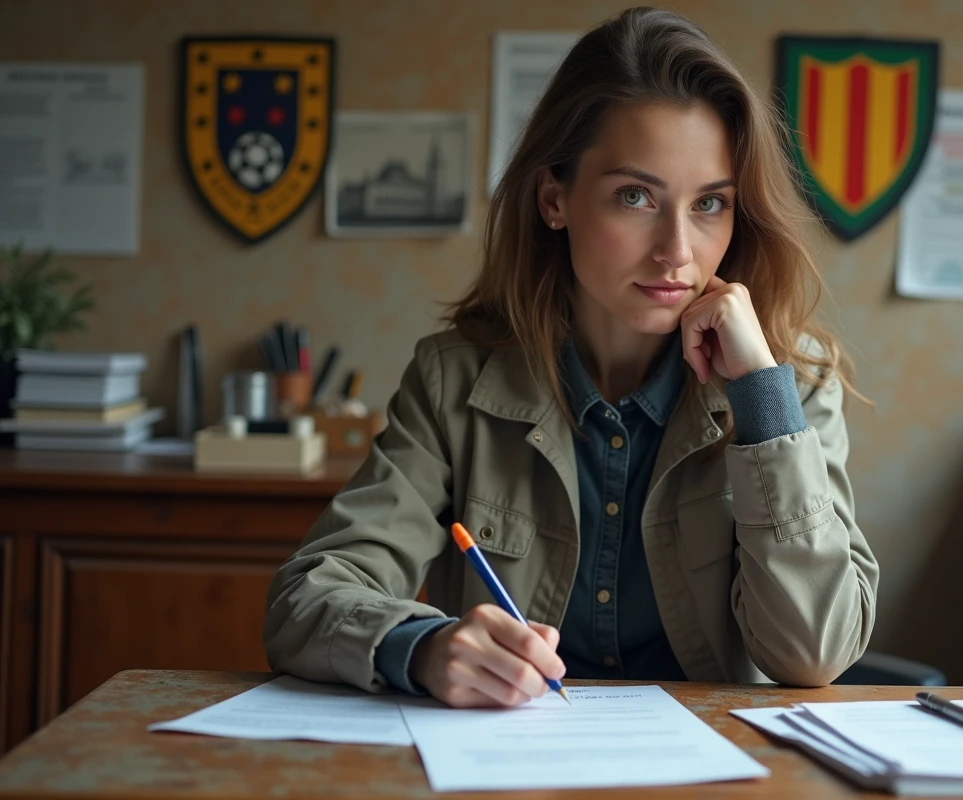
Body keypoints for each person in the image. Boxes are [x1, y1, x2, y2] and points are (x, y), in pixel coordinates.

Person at [263, 6, 878, 708]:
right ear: (555, 198)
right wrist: (422, 646)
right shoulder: (452, 379)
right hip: (506, 764)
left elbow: (813, 656)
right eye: (636, 196)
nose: (677, 250)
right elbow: (305, 597)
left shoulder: (790, 388)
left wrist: (765, 406)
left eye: (710, 203)